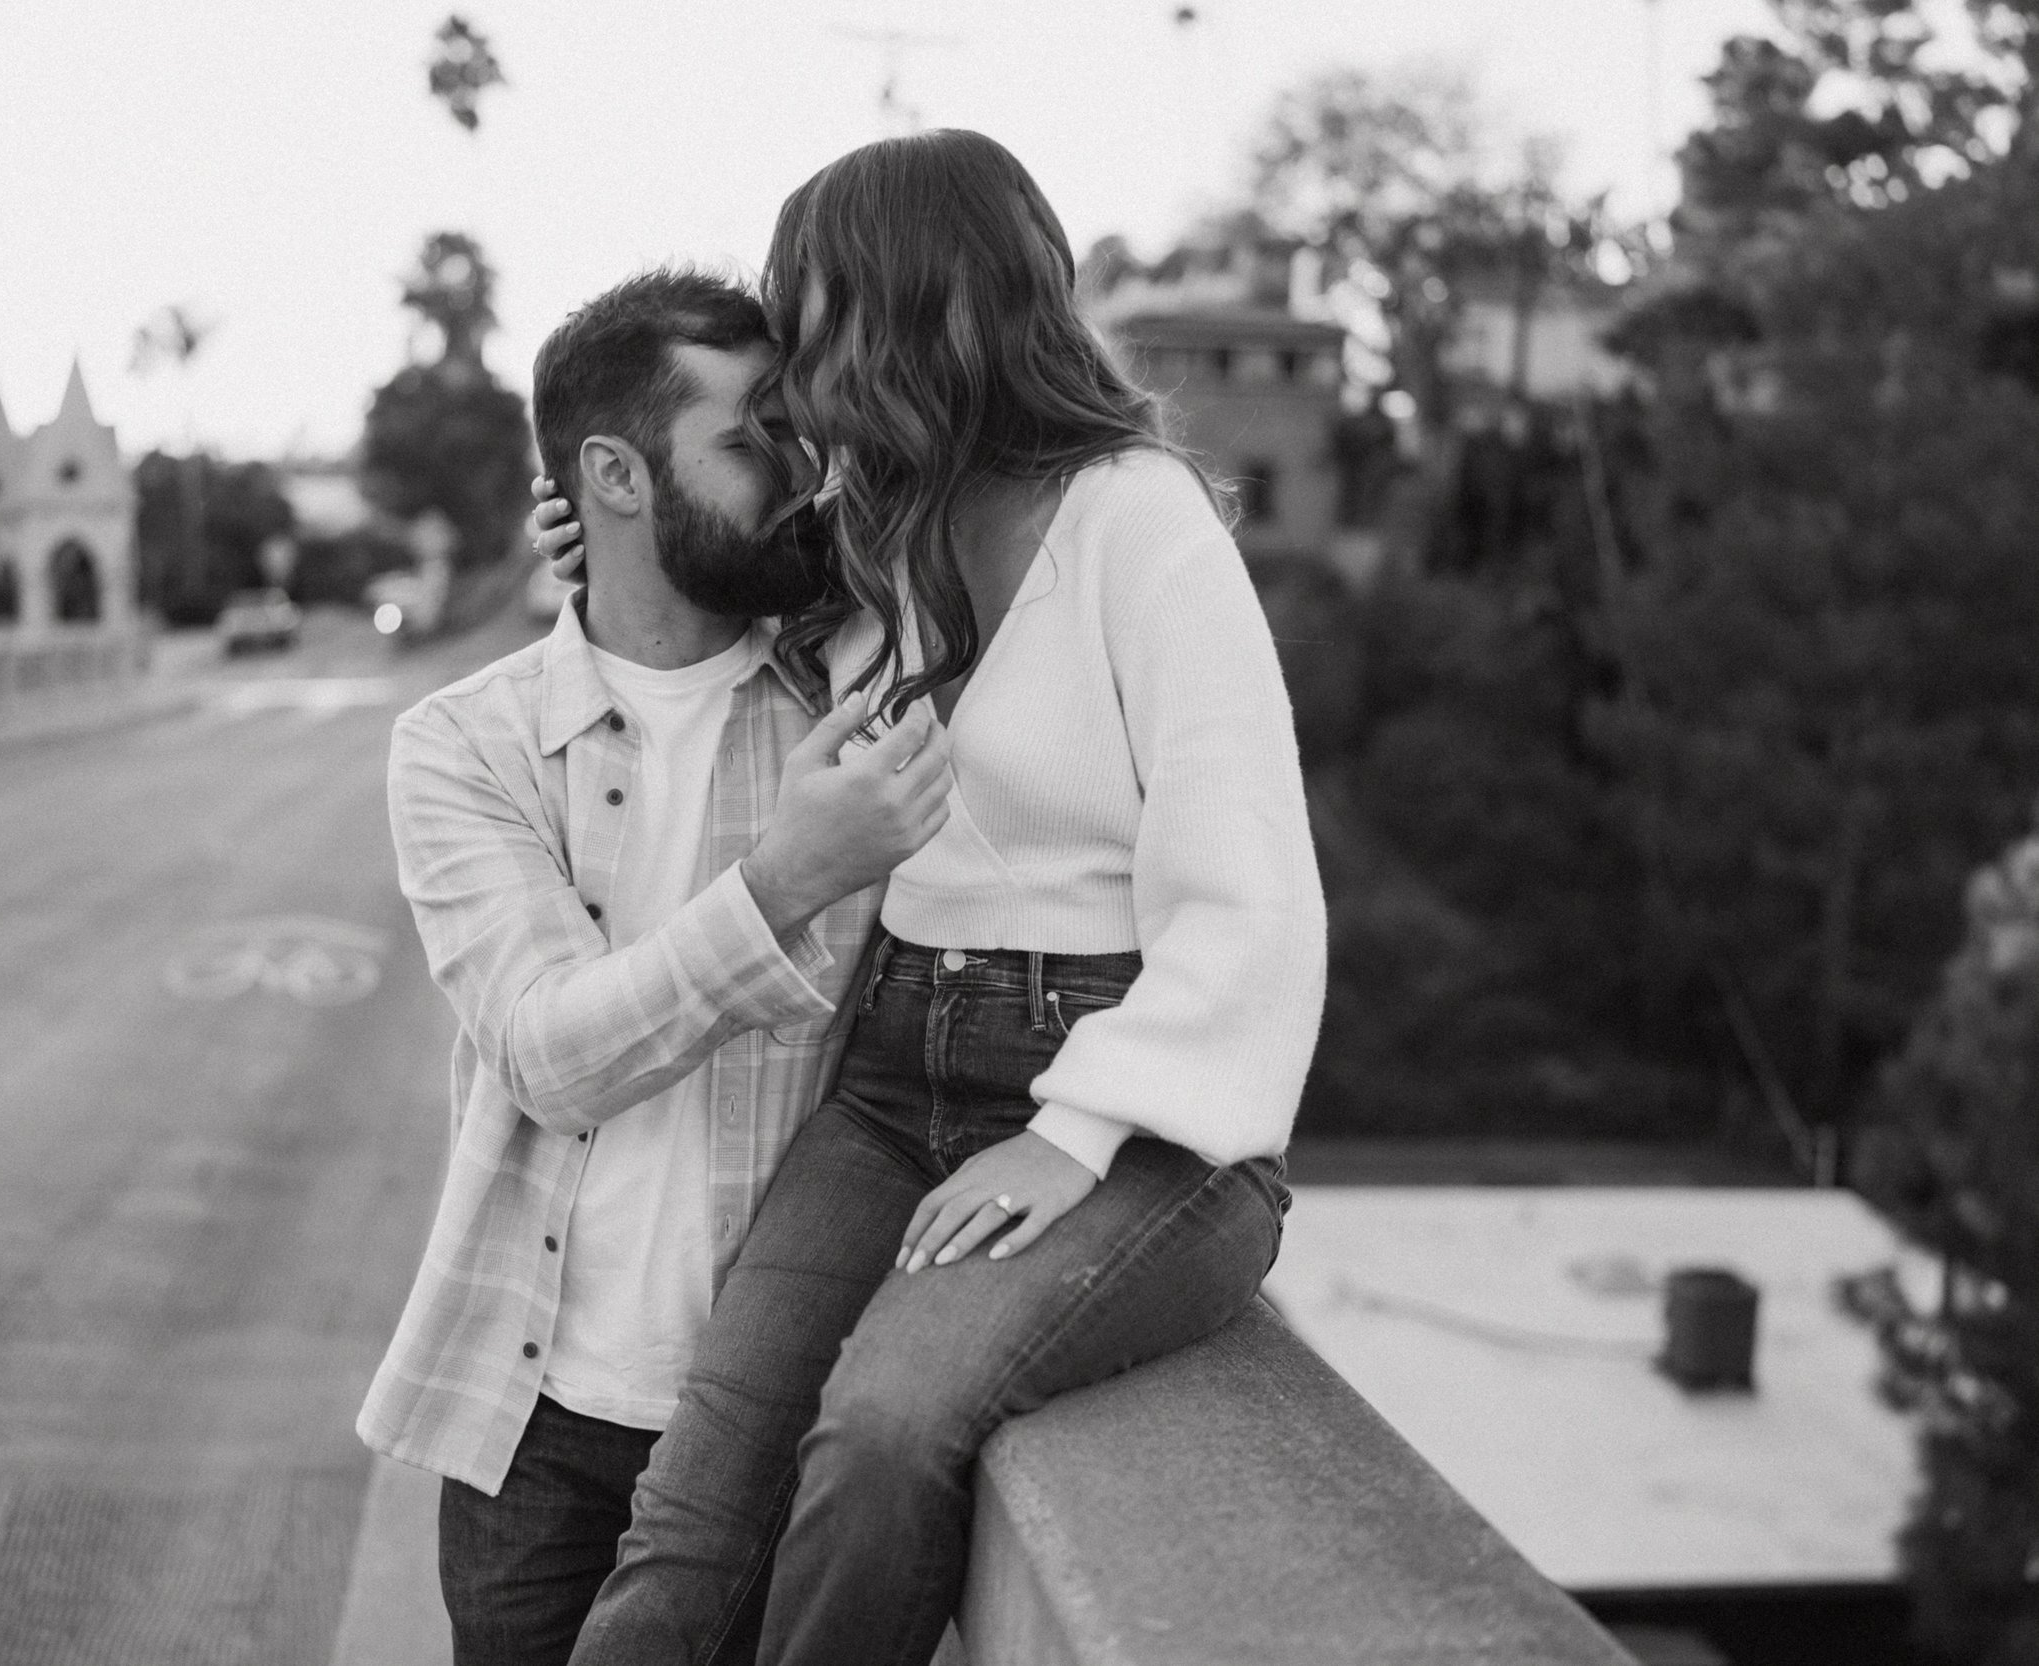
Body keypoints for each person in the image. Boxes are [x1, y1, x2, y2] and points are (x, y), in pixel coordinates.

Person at [536, 132, 1329, 1666]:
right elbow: (678, 583)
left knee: (883, 1437)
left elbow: (1253, 898)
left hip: (1144, 1117)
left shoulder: (1138, 523)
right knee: (697, 1507)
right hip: (896, 1075)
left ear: (922, 313)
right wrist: (583, 544)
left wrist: (1075, 1130)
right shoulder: (876, 536)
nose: (791, 356)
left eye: (814, 308)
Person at [357, 268, 957, 1666]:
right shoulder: (468, 745)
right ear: (612, 476)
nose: (799, 476)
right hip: (530, 1432)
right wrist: (787, 880)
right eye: (754, 439)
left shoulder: (854, 707)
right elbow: (554, 1054)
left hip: (761, 1425)